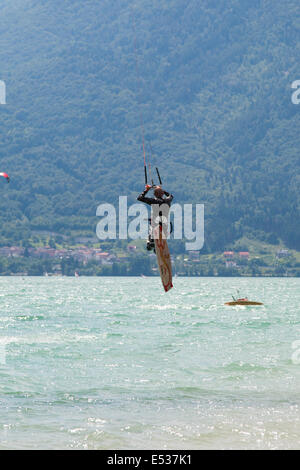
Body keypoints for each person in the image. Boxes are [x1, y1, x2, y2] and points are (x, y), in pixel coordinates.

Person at [137, 184, 173, 251]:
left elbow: (140, 198)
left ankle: (151, 241)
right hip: (165, 223)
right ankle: (155, 242)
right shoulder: (168, 200)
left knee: (151, 230)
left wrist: (146, 190)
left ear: (154, 194)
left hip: (155, 222)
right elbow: (171, 196)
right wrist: (162, 190)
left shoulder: (154, 201)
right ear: (162, 194)